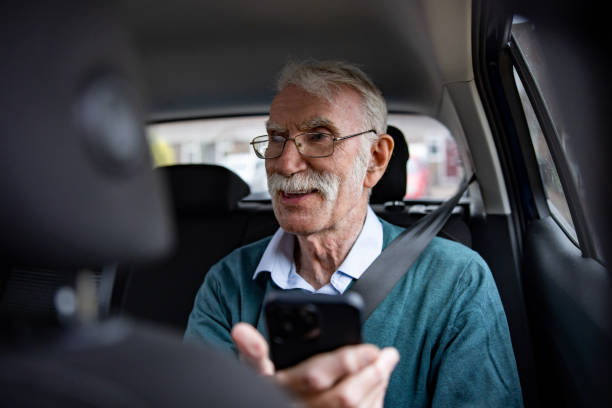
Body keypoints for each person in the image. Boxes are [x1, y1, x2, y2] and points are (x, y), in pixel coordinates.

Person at [185, 60, 523, 407]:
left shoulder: (455, 280)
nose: (284, 163)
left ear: (376, 159)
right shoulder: (228, 282)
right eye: (276, 138)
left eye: (318, 137)